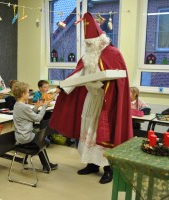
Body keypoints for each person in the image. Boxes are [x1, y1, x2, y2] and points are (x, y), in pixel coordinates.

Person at [49, 12, 133, 184]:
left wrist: (107, 90)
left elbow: (120, 81)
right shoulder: (88, 56)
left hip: (106, 101)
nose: (87, 46)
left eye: (89, 43)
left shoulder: (113, 53)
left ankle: (108, 169)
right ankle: (92, 164)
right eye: (86, 43)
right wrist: (61, 88)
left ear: (98, 41)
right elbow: (78, 74)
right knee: (87, 132)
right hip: (90, 99)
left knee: (102, 135)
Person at [12, 81, 58, 172]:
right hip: (25, 137)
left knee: (41, 139)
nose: (29, 94)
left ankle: (46, 165)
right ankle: (46, 165)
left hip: (22, 135)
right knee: (45, 141)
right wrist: (44, 105)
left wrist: (36, 107)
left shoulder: (18, 105)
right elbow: (37, 118)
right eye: (28, 92)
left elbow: (29, 115)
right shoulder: (23, 107)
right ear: (23, 94)